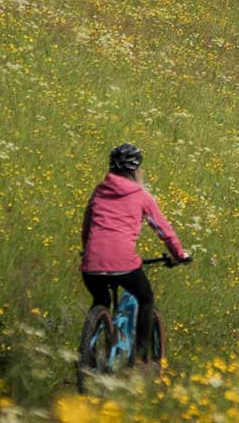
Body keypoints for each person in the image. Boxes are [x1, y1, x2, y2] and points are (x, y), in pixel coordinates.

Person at [80, 143, 190, 353]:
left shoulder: (99, 191)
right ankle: (141, 356)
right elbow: (163, 230)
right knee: (146, 298)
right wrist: (179, 254)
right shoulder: (141, 196)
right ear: (136, 169)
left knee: (101, 298)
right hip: (124, 264)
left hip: (92, 265)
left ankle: (88, 353)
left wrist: (87, 252)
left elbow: (87, 228)